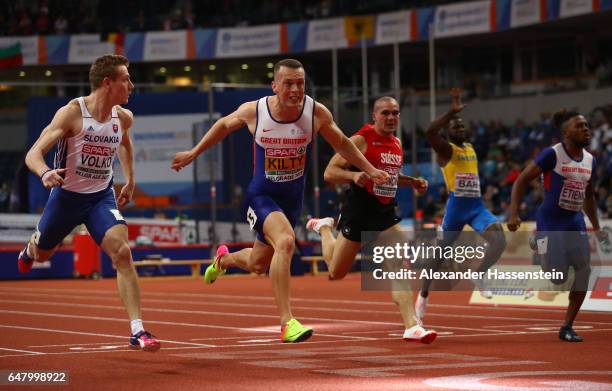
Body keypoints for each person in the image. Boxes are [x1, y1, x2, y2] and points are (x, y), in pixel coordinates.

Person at [171, 58, 389, 343]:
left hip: (291, 200)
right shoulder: (256, 111)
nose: (296, 89)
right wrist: (193, 153)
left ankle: (223, 261)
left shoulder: (315, 113)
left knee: (259, 263)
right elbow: (223, 126)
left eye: (300, 83)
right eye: (288, 83)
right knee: (286, 241)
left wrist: (369, 169)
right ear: (275, 86)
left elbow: (343, 143)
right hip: (261, 195)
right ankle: (287, 322)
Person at [17, 54, 160, 352]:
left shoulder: (123, 117)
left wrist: (130, 180)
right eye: (126, 80)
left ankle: (138, 330)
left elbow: (124, 144)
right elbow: (33, 153)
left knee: (122, 252)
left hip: (100, 198)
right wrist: (44, 172)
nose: (132, 85)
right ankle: (31, 247)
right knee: (43, 255)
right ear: (108, 83)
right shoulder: (71, 114)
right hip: (66, 198)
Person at [305, 96, 437, 343]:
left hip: (385, 214)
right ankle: (324, 229)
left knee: (398, 266)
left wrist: (412, 182)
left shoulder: (396, 143)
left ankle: (411, 325)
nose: (391, 118)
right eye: (385, 113)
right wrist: (354, 177)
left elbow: (390, 176)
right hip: (359, 210)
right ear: (374, 115)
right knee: (336, 271)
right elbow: (330, 172)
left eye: (395, 113)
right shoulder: (361, 139)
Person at [508, 109, 608, 342]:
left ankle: (567, 326)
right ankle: (539, 245)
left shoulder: (590, 160)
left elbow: (589, 196)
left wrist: (595, 225)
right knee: (557, 278)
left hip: (574, 221)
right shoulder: (552, 155)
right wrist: (514, 214)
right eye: (579, 126)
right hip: (550, 221)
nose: (586, 129)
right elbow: (522, 179)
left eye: (587, 125)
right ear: (565, 132)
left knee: (584, 271)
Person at [415, 88, 506, 319]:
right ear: (447, 132)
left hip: (476, 208)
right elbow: (429, 131)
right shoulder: (446, 150)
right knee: (439, 255)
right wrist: (450, 112)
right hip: (456, 209)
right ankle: (423, 295)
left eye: (462, 126)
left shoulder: (470, 148)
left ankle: (479, 274)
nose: (461, 129)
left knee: (499, 240)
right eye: (455, 127)